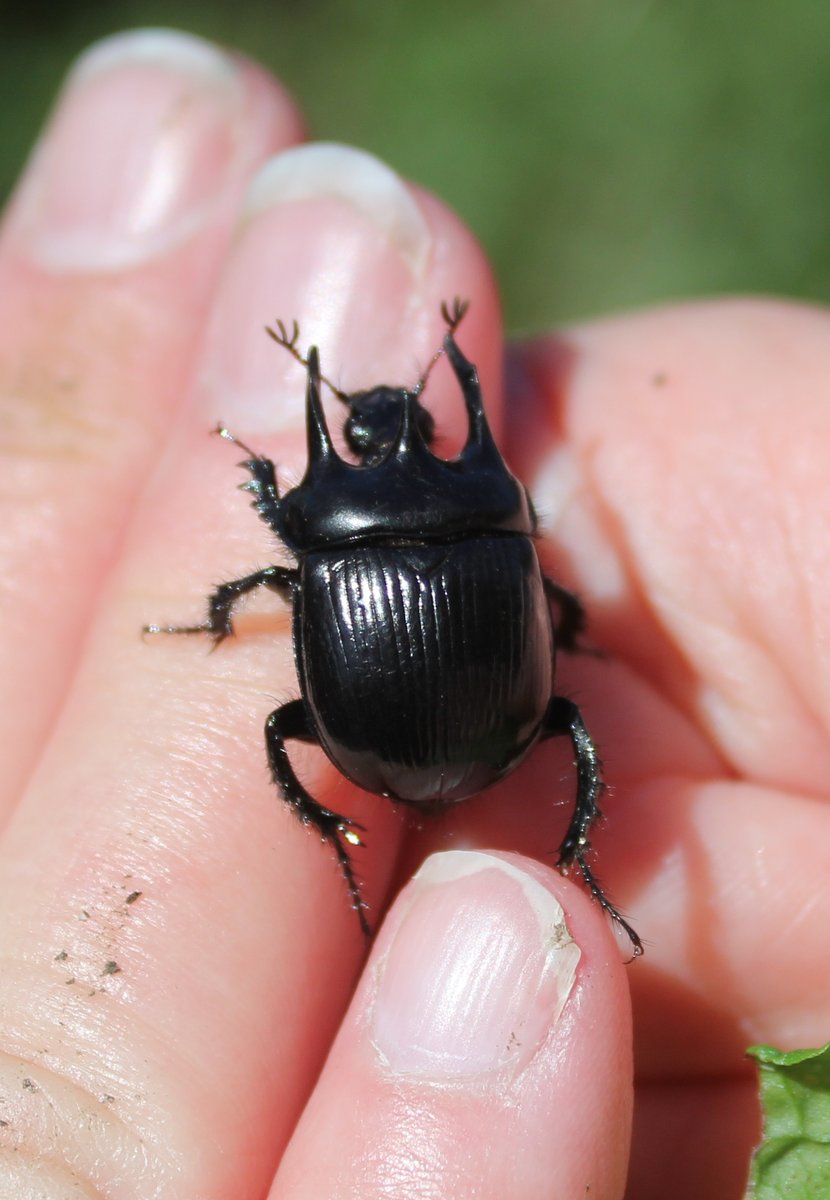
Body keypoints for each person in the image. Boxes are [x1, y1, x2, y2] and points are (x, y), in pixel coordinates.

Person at [1, 28, 827, 1200]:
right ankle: (555, 859)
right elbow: (544, 601)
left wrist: (247, 517)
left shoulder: (319, 547)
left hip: (377, 734)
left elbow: (272, 558)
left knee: (281, 726)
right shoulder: (500, 529)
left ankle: (371, 837)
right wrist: (556, 603)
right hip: (481, 723)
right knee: (571, 718)